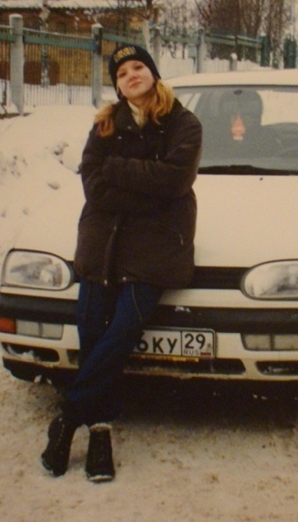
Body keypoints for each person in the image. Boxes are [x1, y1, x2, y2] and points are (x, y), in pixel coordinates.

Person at [41, 44, 203, 483]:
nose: (131, 75)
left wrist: (119, 169)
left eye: (138, 67)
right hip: (102, 242)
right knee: (93, 332)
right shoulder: (106, 123)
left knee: (122, 333)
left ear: (152, 73)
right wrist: (145, 187)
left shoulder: (183, 123)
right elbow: (94, 186)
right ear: (116, 85)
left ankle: (67, 418)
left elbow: (175, 180)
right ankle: (100, 433)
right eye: (122, 72)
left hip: (155, 246)